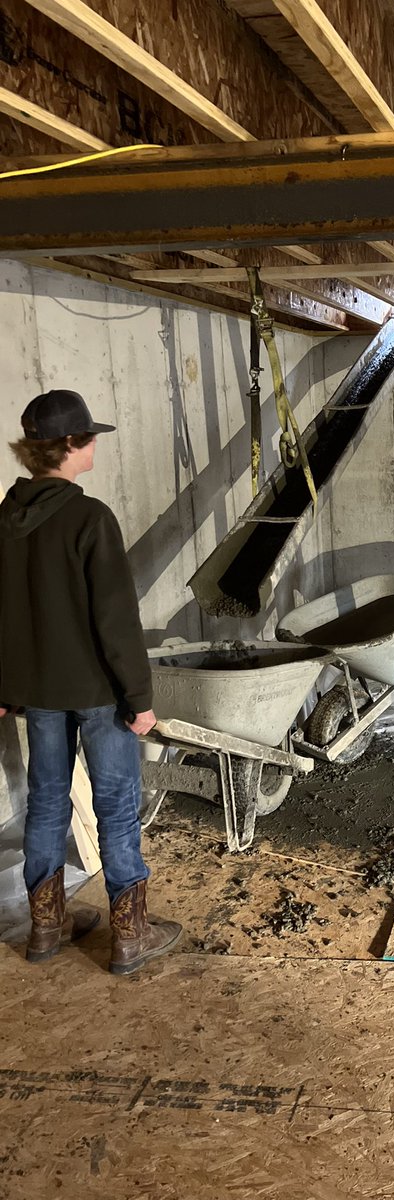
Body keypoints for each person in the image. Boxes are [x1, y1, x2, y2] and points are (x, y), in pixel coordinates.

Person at [0, 389, 181, 974]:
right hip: (100, 695)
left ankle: (46, 928)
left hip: (41, 696)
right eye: (89, 436)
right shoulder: (89, 518)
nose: (95, 443)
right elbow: (116, 620)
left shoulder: (7, 518)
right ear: (71, 446)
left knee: (46, 803)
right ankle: (130, 935)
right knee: (118, 806)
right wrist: (140, 699)